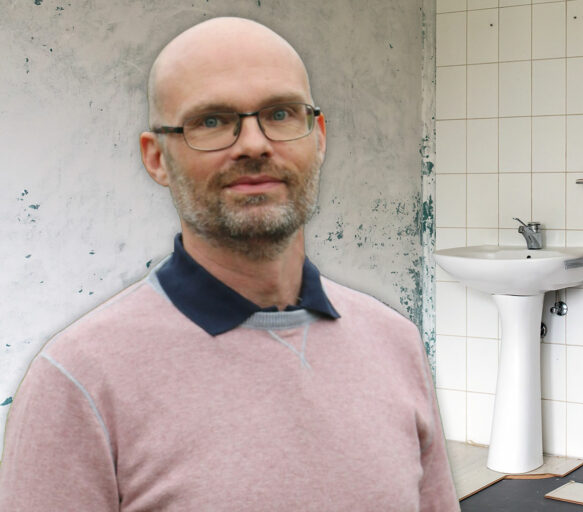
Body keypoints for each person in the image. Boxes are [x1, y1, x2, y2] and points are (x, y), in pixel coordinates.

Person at [0, 17, 459, 511]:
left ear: (319, 138)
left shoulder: (395, 343)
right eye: (212, 121)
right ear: (156, 158)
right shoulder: (77, 381)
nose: (254, 144)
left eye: (280, 113)